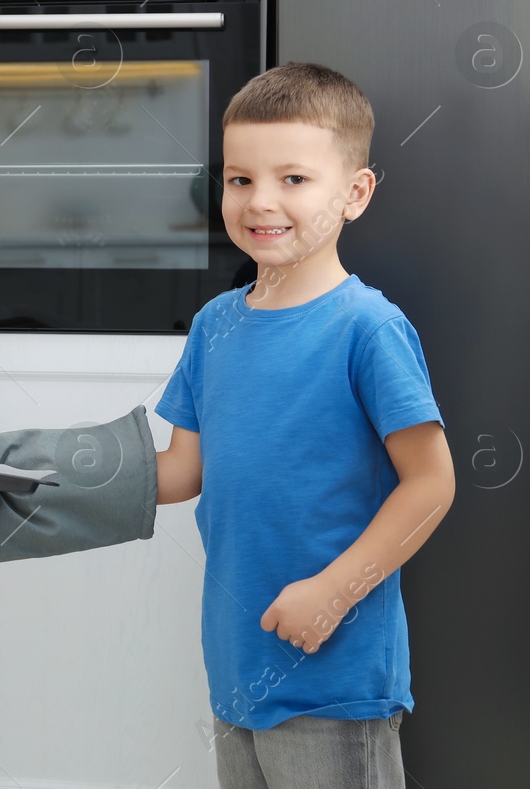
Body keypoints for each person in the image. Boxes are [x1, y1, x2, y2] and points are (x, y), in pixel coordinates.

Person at [153, 63, 455, 788]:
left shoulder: (368, 328)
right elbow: (179, 472)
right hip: (236, 661)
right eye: (239, 179)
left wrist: (334, 590)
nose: (261, 201)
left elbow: (432, 483)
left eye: (294, 179)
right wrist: (43, 478)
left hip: (336, 674)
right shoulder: (214, 325)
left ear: (355, 193)